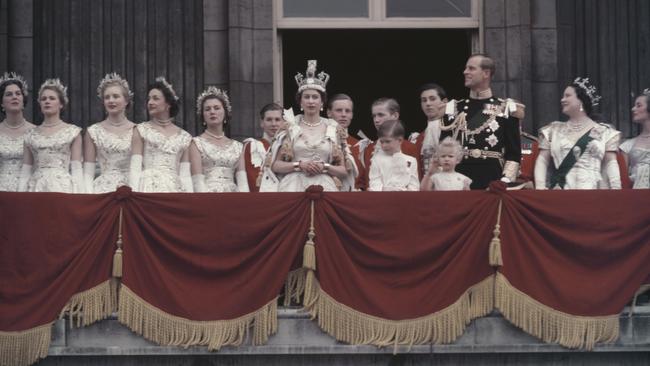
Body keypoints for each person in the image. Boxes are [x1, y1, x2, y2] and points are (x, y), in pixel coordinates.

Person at [261, 60, 356, 192]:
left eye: (315, 97)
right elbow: (275, 165)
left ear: (322, 102)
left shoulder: (333, 128)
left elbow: (344, 171)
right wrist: (299, 165)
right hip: (293, 186)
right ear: (300, 101)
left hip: (325, 186)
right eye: (306, 97)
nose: (311, 101)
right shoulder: (289, 127)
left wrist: (325, 166)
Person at [440, 54, 523, 189]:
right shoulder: (453, 108)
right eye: (466, 68)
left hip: (492, 181)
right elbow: (443, 149)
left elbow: (513, 153)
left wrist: (505, 180)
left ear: (486, 73)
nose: (465, 72)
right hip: (458, 181)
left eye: (471, 68)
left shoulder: (505, 108)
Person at [534, 78, 621, 190]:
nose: (562, 99)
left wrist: (617, 190)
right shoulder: (552, 130)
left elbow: (610, 164)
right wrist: (540, 188)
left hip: (593, 194)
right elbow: (542, 161)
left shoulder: (605, 132)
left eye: (567, 95)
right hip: (560, 192)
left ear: (581, 100)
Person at [128, 77, 193, 192]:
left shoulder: (185, 137)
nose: (150, 103)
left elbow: (185, 175)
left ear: (168, 103)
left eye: (155, 98)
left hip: (175, 189)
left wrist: (189, 200)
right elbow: (135, 168)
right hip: (148, 187)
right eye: (149, 99)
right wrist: (133, 195)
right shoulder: (140, 130)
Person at [19, 78, 83, 192]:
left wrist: (80, 197)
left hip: (63, 188)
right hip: (37, 187)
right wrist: (20, 196)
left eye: (52, 98)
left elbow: (76, 168)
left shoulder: (72, 132)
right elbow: (26, 170)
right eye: (43, 99)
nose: (47, 101)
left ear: (61, 104)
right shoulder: (29, 135)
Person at [189, 86, 248, 192]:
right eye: (207, 109)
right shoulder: (196, 143)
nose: (212, 112)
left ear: (225, 113)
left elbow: (243, 183)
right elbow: (197, 182)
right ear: (203, 116)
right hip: (207, 198)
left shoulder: (238, 146)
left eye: (216, 108)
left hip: (234, 198)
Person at [83, 73, 135, 193]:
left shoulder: (138, 130)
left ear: (126, 100)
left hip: (131, 187)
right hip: (104, 189)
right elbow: (88, 172)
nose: (111, 100)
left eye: (116, 96)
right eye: (107, 97)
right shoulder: (93, 131)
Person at [361, 98, 419, 188]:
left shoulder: (410, 148)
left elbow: (415, 183)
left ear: (395, 116)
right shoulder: (368, 149)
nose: (376, 120)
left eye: (381, 115)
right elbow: (366, 182)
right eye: (374, 116)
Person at [0, 72, 34, 191]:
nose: (14, 97)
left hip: (29, 190)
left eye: (18, 94)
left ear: (23, 100)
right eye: (9, 94)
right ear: (1, 103)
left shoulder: (35, 131)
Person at [326, 93, 365, 190]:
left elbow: (362, 180)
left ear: (352, 114)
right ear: (329, 113)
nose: (343, 114)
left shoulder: (359, 145)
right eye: (339, 110)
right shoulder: (319, 140)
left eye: (347, 111)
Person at [368, 120, 419, 191]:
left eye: (387, 141)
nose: (384, 145)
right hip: (382, 198)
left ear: (400, 140)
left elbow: (414, 185)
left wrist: (407, 192)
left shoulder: (411, 161)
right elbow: (374, 182)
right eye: (382, 142)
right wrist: (386, 190)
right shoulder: (376, 160)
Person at [409, 83, 448, 177]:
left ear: (444, 102)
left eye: (432, 99)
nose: (428, 103)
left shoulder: (455, 131)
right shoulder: (417, 138)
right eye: (424, 100)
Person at [242, 103, 283, 192]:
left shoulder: (289, 148)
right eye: (269, 120)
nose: (273, 124)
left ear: (283, 122)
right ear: (262, 123)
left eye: (277, 119)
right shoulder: (253, 146)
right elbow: (251, 179)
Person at [619, 88, 650, 189]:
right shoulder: (627, 146)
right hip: (637, 196)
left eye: (639, 105)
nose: (633, 109)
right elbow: (623, 181)